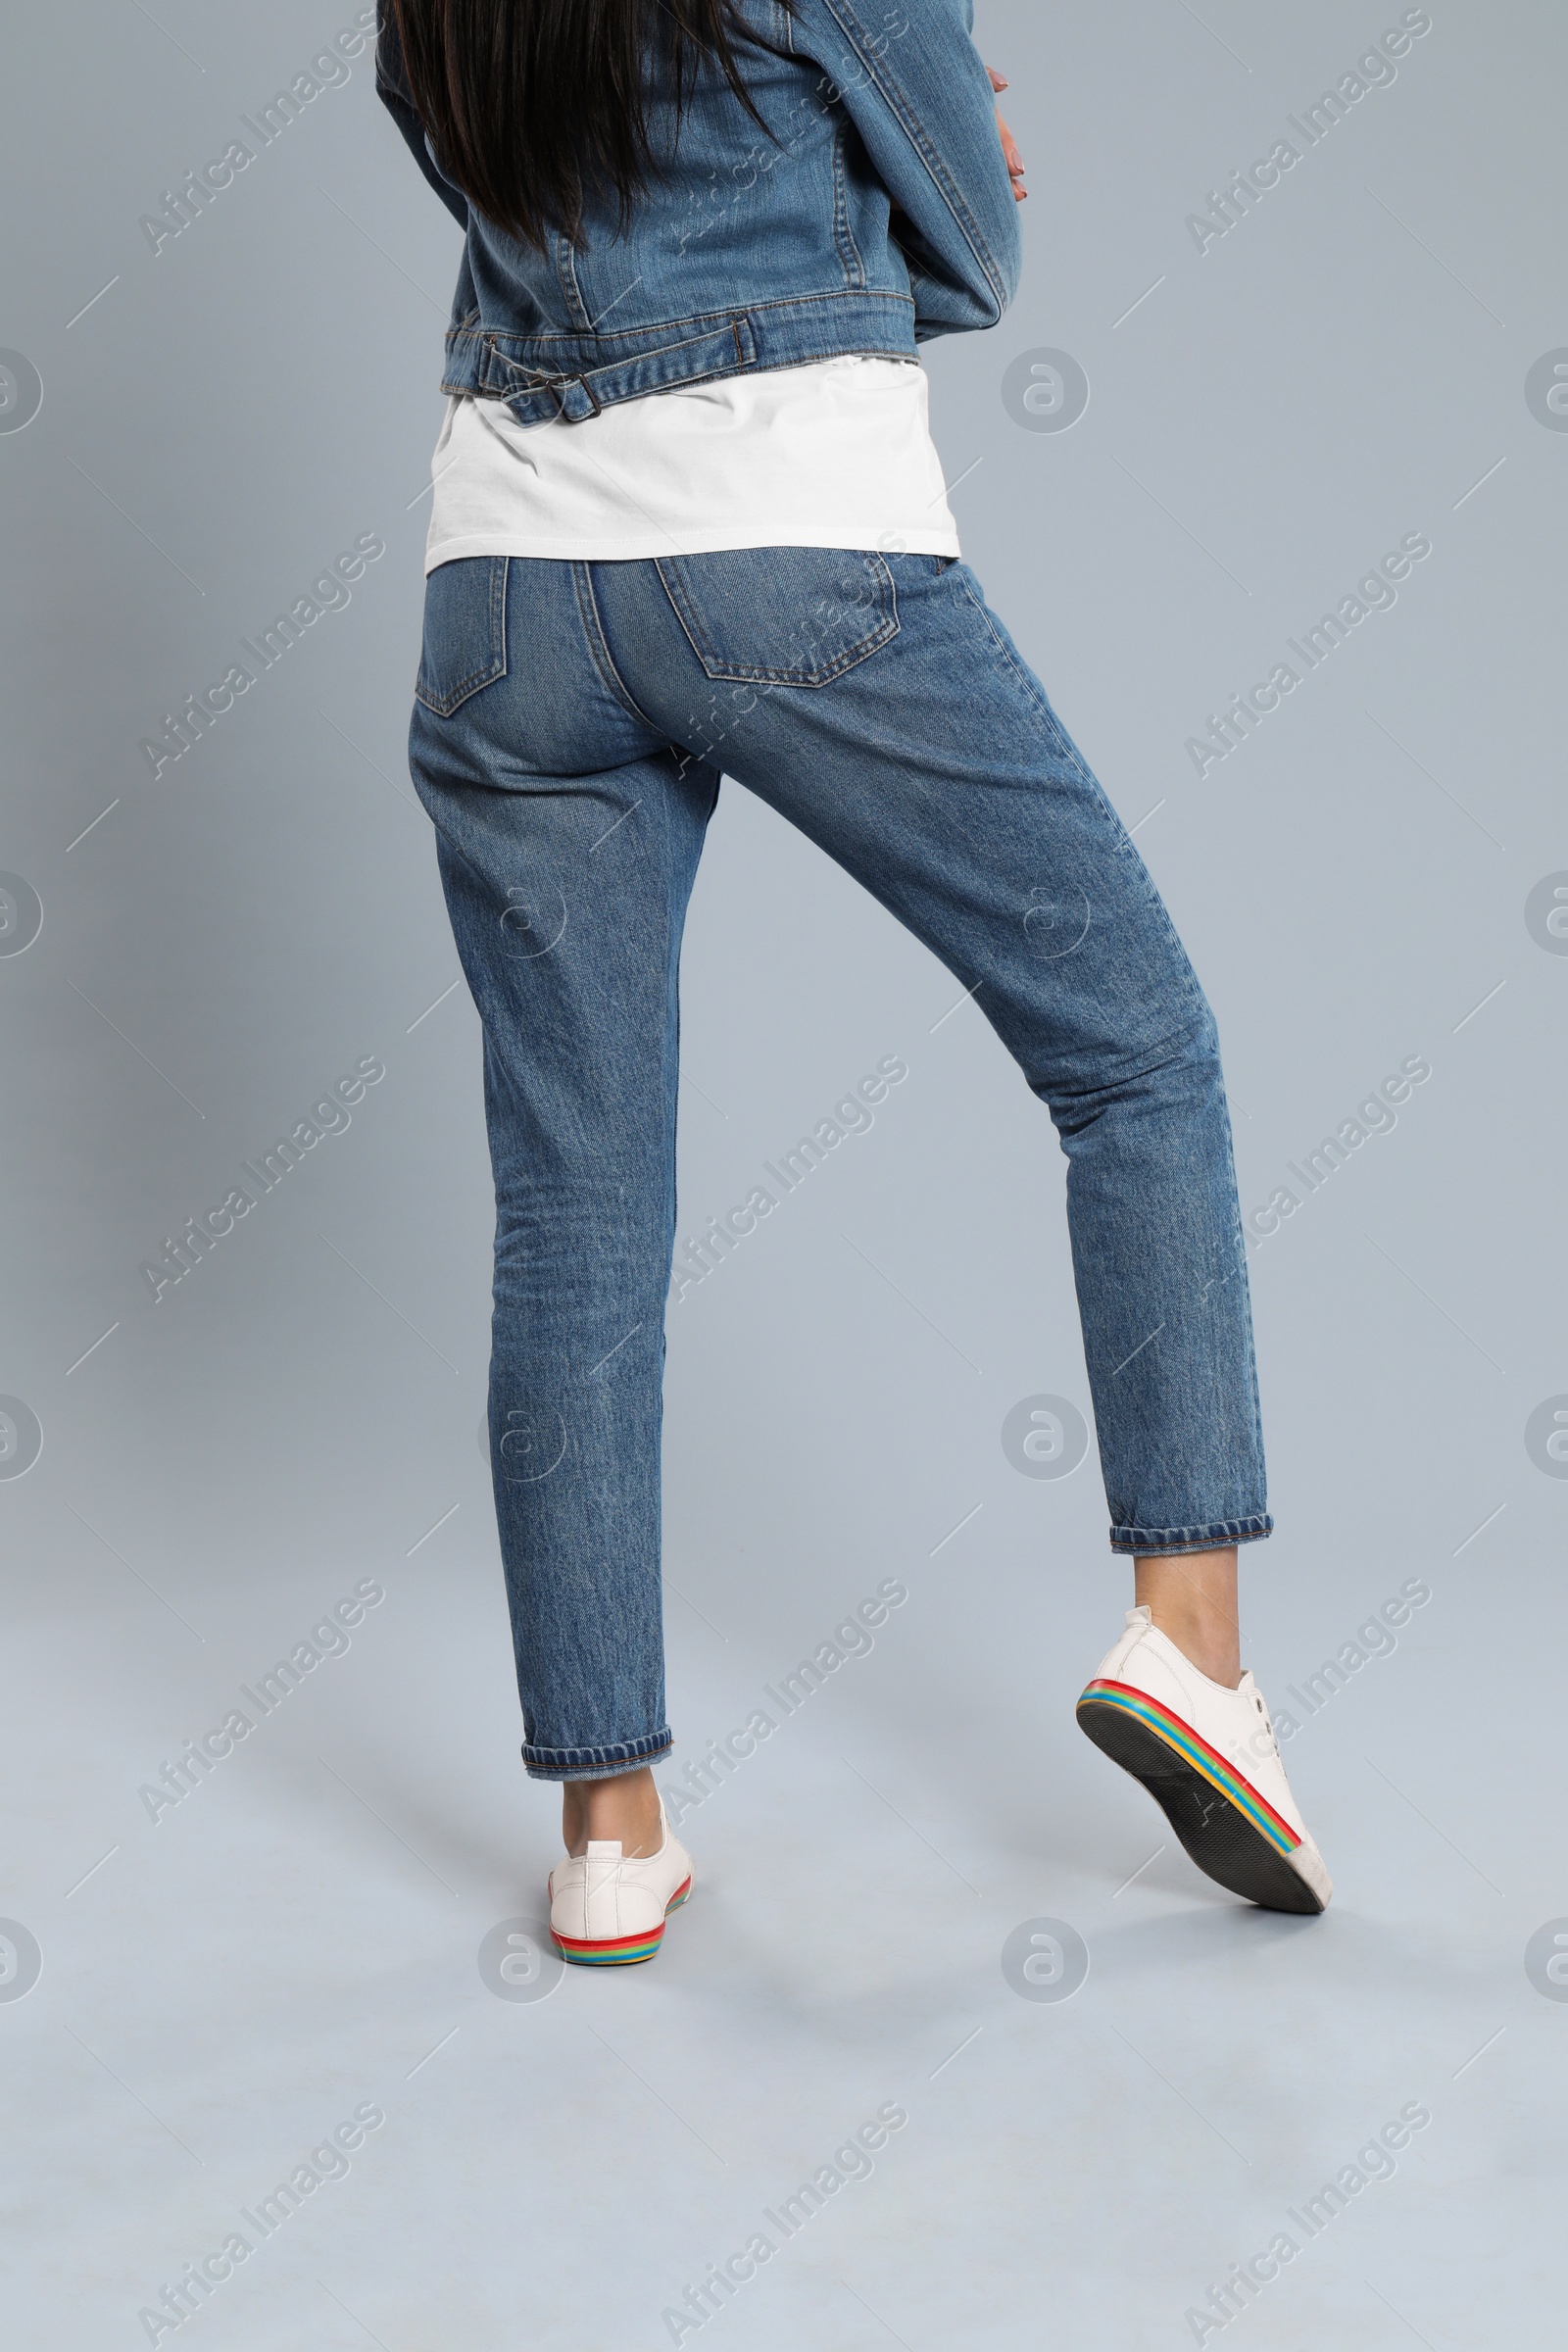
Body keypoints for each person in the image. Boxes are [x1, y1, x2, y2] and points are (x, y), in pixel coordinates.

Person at [375, 0, 1331, 1966]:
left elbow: (515, 180)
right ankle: (1190, 1649)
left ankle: (606, 1832)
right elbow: (974, 253)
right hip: (781, 546)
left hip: (498, 607)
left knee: (571, 1227)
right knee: (1133, 1052)